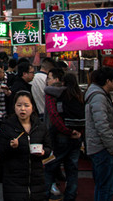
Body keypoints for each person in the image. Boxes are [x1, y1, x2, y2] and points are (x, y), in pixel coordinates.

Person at [0, 91, 51, 200]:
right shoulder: (7, 126)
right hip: (14, 181)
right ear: (14, 107)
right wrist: (11, 146)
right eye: (19, 105)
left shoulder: (40, 127)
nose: (23, 109)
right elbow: (1, 152)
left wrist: (44, 152)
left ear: (32, 107)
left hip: (36, 180)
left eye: (26, 105)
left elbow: (49, 148)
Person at [44, 72, 85, 201]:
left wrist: (66, 131)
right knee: (72, 169)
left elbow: (54, 116)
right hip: (76, 136)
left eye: (49, 78)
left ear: (61, 81)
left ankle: (45, 194)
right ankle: (70, 196)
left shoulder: (55, 94)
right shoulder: (79, 95)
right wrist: (79, 132)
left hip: (60, 135)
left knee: (50, 166)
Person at [85, 67, 113, 201]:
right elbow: (101, 125)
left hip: (99, 146)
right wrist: (112, 146)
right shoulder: (98, 97)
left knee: (103, 186)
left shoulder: (98, 95)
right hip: (102, 148)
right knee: (106, 187)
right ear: (108, 81)